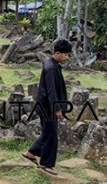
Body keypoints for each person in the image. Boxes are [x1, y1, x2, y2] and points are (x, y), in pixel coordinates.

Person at [22, 39, 72, 175]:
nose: (67, 57)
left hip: (47, 106)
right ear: (57, 53)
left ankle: (31, 153)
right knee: (51, 136)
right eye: (66, 55)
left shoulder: (53, 65)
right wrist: (57, 109)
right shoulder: (50, 68)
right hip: (48, 107)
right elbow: (51, 91)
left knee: (48, 133)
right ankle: (46, 164)